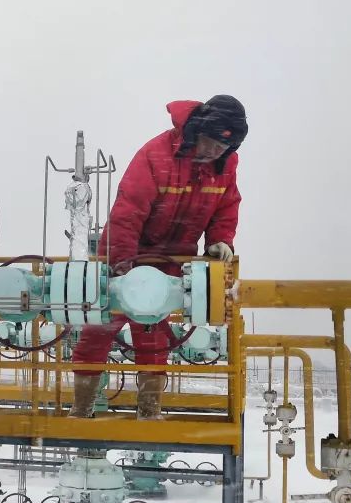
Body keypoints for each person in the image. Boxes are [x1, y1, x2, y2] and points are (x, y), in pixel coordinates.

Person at [70, 95, 248, 419]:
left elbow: (227, 207)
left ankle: (149, 410)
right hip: (129, 253)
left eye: (221, 149)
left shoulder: (225, 168)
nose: (212, 153)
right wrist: (123, 269)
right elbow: (128, 212)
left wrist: (221, 241)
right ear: (198, 131)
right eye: (209, 143)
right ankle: (81, 408)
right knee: (100, 325)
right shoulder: (156, 155)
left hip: (173, 259)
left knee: (152, 332)